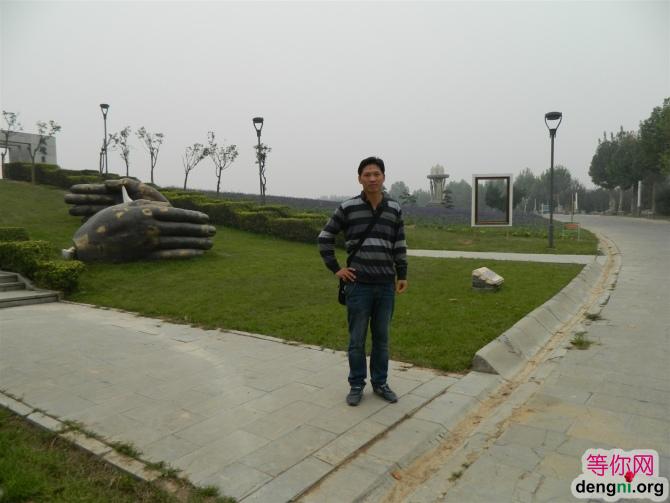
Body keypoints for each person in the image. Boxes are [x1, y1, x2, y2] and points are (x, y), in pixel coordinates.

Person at [318, 157, 408, 406]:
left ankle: (380, 383)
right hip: (358, 286)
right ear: (359, 179)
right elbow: (324, 237)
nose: (372, 178)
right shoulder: (348, 207)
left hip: (386, 285)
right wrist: (336, 269)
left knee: (382, 340)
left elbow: (399, 243)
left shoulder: (394, 208)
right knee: (356, 341)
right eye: (367, 174)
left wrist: (402, 274)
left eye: (376, 174)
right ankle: (356, 384)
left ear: (383, 177)